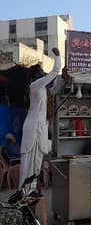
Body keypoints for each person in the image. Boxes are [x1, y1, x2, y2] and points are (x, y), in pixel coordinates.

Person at [19, 48, 61, 196]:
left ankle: (32, 188)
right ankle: (25, 191)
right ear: (37, 75)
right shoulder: (35, 85)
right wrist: (58, 56)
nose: (43, 74)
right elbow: (54, 72)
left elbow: (56, 88)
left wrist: (66, 79)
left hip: (39, 130)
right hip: (32, 129)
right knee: (28, 163)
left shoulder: (42, 89)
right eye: (41, 72)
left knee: (36, 164)